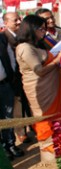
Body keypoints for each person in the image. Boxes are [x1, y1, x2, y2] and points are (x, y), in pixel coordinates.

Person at [15, 15, 61, 166]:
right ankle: (53, 163)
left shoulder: (38, 43)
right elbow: (39, 70)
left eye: (44, 28)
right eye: (40, 29)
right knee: (48, 127)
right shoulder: (24, 47)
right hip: (42, 94)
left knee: (59, 126)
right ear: (30, 29)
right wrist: (57, 61)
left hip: (54, 90)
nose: (44, 32)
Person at [2, 12, 32, 145]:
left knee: (23, 106)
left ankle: (23, 132)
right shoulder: (5, 37)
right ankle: (18, 134)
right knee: (14, 110)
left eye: (19, 19)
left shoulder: (21, 36)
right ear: (6, 22)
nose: (19, 22)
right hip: (12, 80)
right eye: (15, 20)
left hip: (19, 77)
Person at [0, 32, 24, 161]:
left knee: (8, 117)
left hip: (4, 86)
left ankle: (10, 145)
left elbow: (10, 57)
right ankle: (2, 150)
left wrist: (11, 76)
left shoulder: (2, 39)